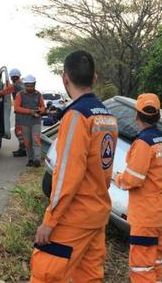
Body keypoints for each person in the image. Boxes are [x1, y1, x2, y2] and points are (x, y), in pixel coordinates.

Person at [30, 50, 118, 283]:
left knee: (46, 275)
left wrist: (50, 220)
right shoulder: (107, 117)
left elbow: (68, 175)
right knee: (88, 278)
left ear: (64, 78)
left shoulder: (77, 116)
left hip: (74, 217)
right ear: (95, 78)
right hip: (97, 215)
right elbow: (104, 170)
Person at [114, 93, 162, 283]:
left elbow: (133, 179)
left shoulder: (143, 143)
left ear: (137, 116)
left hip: (145, 215)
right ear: (157, 116)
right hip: (160, 212)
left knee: (141, 267)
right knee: (155, 263)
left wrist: (117, 178)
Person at [13, 75, 45, 167]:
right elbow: (16, 108)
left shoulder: (38, 94)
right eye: (28, 86)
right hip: (25, 122)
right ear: (25, 85)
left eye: (32, 86)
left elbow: (43, 106)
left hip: (36, 121)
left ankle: (37, 160)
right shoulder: (20, 95)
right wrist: (30, 111)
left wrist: (41, 111)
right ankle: (30, 159)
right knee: (27, 142)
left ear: (35, 85)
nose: (30, 88)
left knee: (36, 140)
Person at [0, 68, 26, 157]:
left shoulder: (15, 86)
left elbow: (4, 91)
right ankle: (25, 148)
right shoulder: (22, 84)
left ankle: (23, 149)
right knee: (25, 130)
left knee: (19, 131)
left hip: (21, 111)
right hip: (26, 111)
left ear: (12, 77)